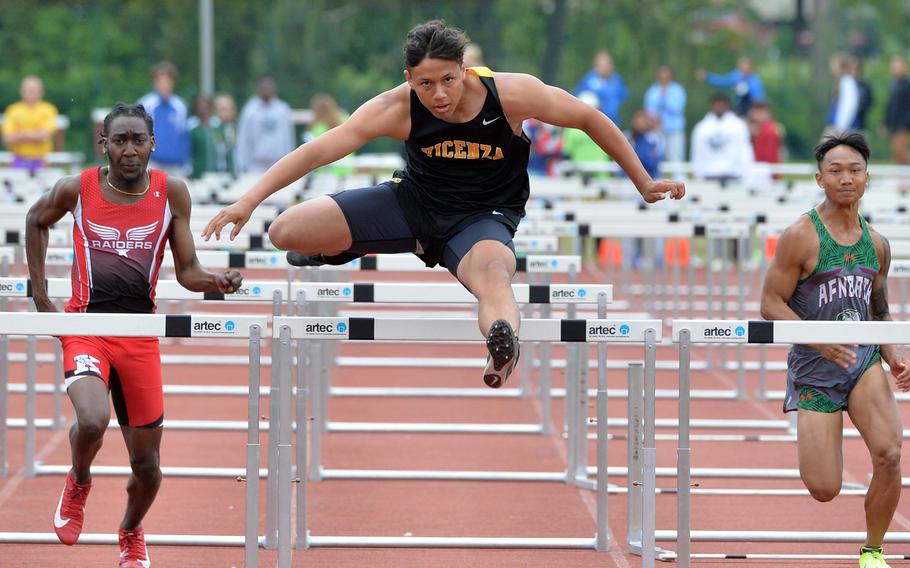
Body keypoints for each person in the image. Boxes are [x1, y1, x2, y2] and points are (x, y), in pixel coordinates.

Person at [202, 20, 685, 388]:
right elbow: (320, 148)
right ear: (408, 77)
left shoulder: (511, 94)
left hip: (481, 219)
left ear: (465, 70)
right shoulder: (396, 106)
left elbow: (588, 118)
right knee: (287, 231)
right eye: (425, 84)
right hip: (413, 204)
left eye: (448, 81)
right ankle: (339, 247)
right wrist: (249, 200)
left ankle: (501, 342)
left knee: (495, 274)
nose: (438, 96)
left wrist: (641, 181)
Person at [25, 103, 242, 567]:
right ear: (103, 144)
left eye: (137, 141)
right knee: (91, 419)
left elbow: (187, 271)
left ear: (152, 145)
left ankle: (130, 530)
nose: (128, 150)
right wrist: (41, 297)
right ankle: (79, 479)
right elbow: (35, 220)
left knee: (148, 468)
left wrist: (216, 282)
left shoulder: (171, 193)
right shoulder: (77, 188)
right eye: (118, 140)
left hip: (140, 334)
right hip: (85, 327)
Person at [760, 132, 908, 568]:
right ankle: (819, 432)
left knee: (890, 453)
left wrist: (894, 355)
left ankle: (873, 551)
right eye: (836, 171)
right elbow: (770, 303)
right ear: (820, 179)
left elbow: (878, 310)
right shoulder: (801, 236)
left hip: (861, 362)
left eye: (855, 170)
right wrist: (814, 335)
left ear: (867, 178)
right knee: (824, 487)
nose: (846, 179)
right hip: (815, 368)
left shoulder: (876, 244)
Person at [234, 75, 295, 174]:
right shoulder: (250, 110)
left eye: (269, 88)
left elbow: (287, 137)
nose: (266, 90)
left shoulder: (282, 109)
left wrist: (290, 162)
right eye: (264, 88)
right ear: (258, 89)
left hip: (278, 162)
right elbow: (243, 138)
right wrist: (242, 163)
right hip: (256, 164)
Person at [138, 62, 190, 176]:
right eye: (160, 81)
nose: (164, 85)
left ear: (173, 82)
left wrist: (185, 162)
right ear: (154, 83)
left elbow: (183, 136)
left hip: (175, 165)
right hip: (152, 163)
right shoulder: (146, 104)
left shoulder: (180, 106)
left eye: (167, 81)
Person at [690, 93, 754, 182]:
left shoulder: (738, 126)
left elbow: (745, 151)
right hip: (709, 177)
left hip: (733, 177)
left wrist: (745, 174)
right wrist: (699, 175)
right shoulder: (702, 128)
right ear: (711, 106)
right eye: (716, 104)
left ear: (727, 105)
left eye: (722, 104)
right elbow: (697, 153)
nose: (719, 106)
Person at [2, 75, 59, 172]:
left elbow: (44, 136)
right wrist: (34, 135)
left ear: (41, 92)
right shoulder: (12, 110)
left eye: (34, 90)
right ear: (22, 91)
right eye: (29, 90)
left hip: (42, 162)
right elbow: (7, 139)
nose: (32, 93)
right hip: (18, 161)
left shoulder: (49, 110)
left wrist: (21, 134)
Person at [696, 56, 766, 117]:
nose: (743, 68)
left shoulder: (755, 82)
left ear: (751, 68)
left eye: (746, 66)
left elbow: (758, 101)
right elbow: (722, 82)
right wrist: (707, 77)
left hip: (750, 113)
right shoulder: (736, 76)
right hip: (737, 111)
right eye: (741, 66)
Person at [643, 65, 686, 163]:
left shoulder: (678, 91)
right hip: (657, 132)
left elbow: (677, 109)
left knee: (676, 159)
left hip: (674, 130)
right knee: (656, 160)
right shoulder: (652, 92)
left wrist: (665, 96)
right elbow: (649, 112)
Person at [574, 50, 628, 126]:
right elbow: (579, 97)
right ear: (596, 66)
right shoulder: (589, 80)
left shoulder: (617, 80)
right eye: (601, 65)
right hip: (595, 123)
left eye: (607, 65)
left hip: (614, 122)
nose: (604, 68)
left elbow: (624, 97)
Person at [884, 55, 910, 165]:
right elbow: (890, 105)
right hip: (894, 125)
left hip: (904, 125)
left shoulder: (908, 84)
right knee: (896, 154)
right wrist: (885, 123)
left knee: (901, 152)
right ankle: (901, 181)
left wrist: (905, 123)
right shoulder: (893, 84)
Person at [825, 54, 861, 136]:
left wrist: (840, 127)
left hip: (842, 127)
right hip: (835, 124)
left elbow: (849, 106)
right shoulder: (840, 81)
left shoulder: (847, 81)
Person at [188, 95, 217, 179]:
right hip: (197, 171)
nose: (203, 109)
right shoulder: (191, 126)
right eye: (200, 106)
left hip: (214, 171)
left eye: (205, 106)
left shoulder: (217, 125)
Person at [212, 93, 238, 174]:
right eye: (220, 110)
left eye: (225, 109)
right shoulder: (212, 129)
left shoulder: (238, 129)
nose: (223, 113)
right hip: (216, 172)